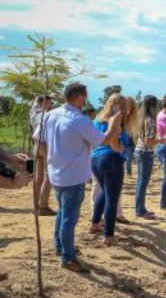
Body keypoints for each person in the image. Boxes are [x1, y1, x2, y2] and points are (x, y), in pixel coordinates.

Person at [34, 82, 121, 271]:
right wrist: (113, 124)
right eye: (86, 97)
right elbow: (103, 141)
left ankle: (60, 246)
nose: (86, 100)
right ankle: (68, 258)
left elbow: (38, 139)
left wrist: (50, 157)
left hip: (56, 173)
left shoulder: (50, 114)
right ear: (80, 97)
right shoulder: (79, 120)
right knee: (69, 218)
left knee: (62, 212)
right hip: (72, 177)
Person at [90, 93, 131, 246]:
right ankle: (109, 235)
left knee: (104, 192)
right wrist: (120, 149)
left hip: (95, 159)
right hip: (111, 159)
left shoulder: (97, 120)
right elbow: (114, 141)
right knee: (112, 199)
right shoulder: (116, 120)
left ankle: (95, 223)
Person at [29, 94, 56, 214]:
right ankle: (43, 205)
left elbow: (35, 102)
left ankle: (35, 205)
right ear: (45, 102)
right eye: (50, 102)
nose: (51, 105)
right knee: (49, 176)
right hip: (45, 145)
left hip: (36, 145)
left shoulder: (33, 112)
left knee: (38, 176)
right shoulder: (46, 115)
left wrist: (46, 95)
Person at [134, 95, 159, 219]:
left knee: (140, 181)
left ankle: (140, 208)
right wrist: (161, 140)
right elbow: (149, 141)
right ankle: (140, 210)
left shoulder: (141, 118)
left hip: (139, 151)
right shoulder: (150, 120)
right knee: (143, 182)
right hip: (146, 153)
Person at [123, 96, 139, 177]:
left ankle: (128, 173)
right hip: (123, 140)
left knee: (129, 158)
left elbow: (136, 132)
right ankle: (127, 173)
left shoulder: (134, 117)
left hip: (130, 141)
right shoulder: (121, 115)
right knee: (126, 158)